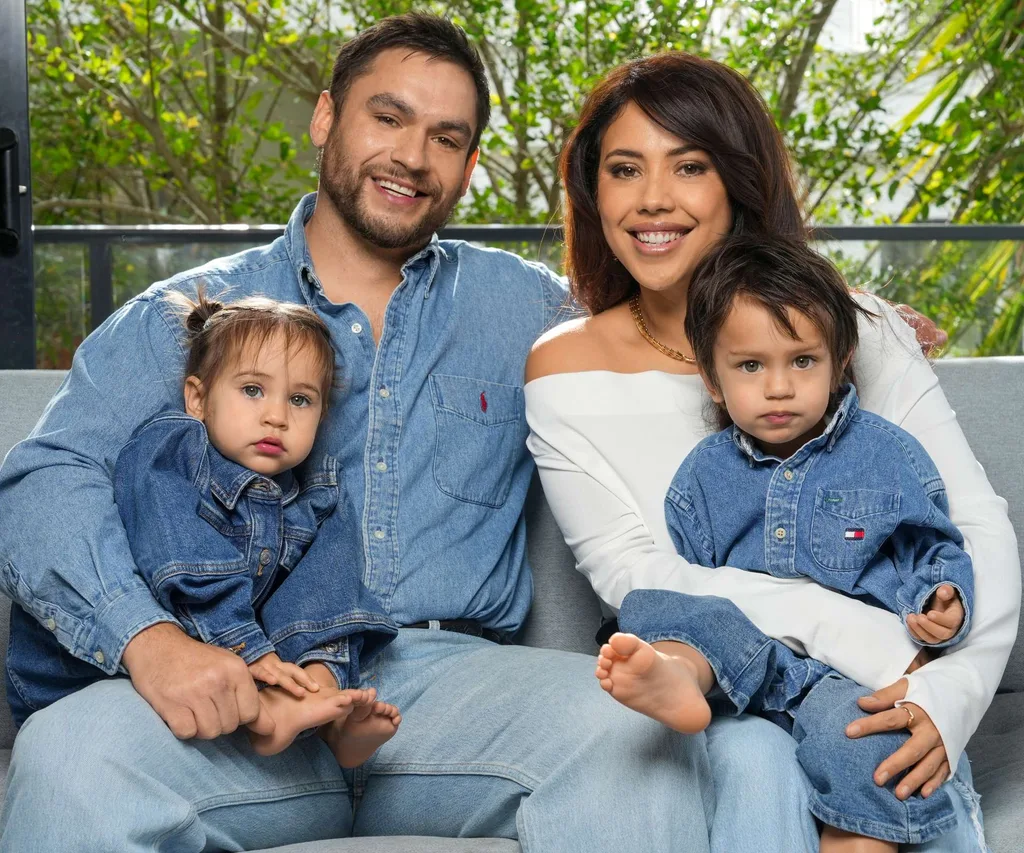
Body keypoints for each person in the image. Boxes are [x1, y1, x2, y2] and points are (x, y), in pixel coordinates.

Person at [0, 15, 721, 852]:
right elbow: (46, 479)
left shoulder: (530, 309)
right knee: (69, 755)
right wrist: (149, 641)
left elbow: (692, 315)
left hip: (450, 692)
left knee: (638, 738)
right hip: (238, 685)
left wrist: (851, 321)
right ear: (325, 118)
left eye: (446, 137)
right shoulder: (185, 313)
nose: (413, 156)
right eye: (388, 117)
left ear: (470, 164)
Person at [526, 52, 1019, 853]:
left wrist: (947, 693)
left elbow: (972, 524)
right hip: (717, 683)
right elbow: (631, 574)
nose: (653, 198)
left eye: (689, 165)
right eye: (624, 169)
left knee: (873, 744)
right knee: (751, 756)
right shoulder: (563, 368)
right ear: (594, 191)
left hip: (884, 688)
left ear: (738, 181)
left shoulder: (852, 327)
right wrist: (849, 630)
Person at [594, 235, 975, 851]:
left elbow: (932, 549)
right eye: (750, 366)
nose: (778, 387)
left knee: (866, 748)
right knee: (653, 601)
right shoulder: (701, 477)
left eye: (802, 361)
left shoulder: (884, 455)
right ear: (713, 379)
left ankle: (855, 842)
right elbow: (698, 578)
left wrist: (943, 600)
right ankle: (678, 677)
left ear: (839, 361)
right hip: (748, 662)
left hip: (841, 676)